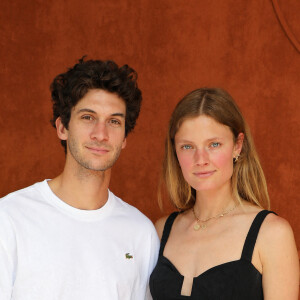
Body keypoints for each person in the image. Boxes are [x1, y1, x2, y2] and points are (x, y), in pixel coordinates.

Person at [0, 57, 159, 300]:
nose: (101, 134)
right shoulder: (9, 219)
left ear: (124, 138)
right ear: (62, 127)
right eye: (88, 117)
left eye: (114, 121)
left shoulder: (141, 233)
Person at [150, 88, 299, 299]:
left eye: (214, 144)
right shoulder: (161, 231)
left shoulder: (271, 234)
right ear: (175, 150)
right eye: (187, 146)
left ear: (238, 146)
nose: (201, 159)